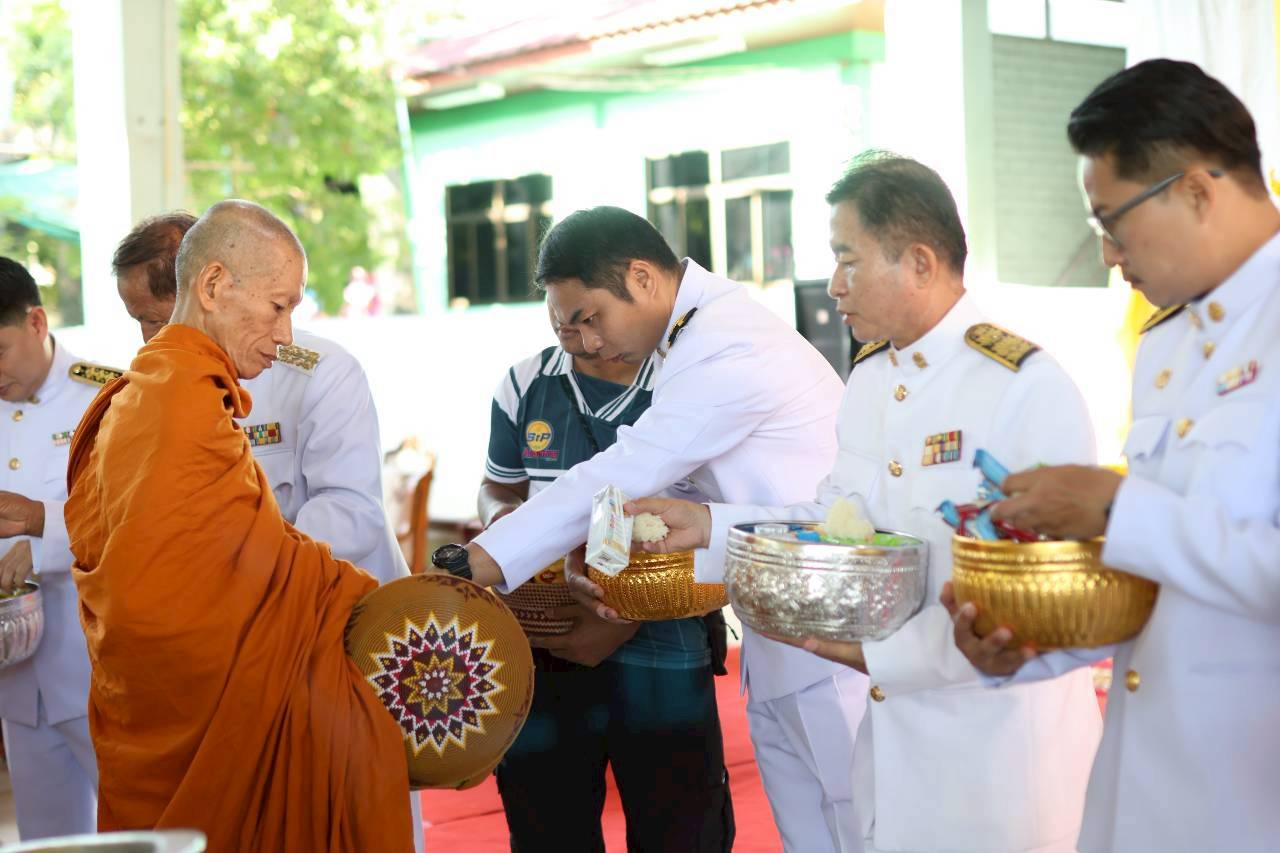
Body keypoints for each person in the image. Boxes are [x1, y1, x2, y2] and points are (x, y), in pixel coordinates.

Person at [631, 153, 1103, 853]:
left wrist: (880, 655)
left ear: (919, 262)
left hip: (1000, 763)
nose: (833, 285)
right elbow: (837, 524)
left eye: (847, 260)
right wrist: (708, 524)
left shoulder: (1023, 386)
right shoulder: (874, 379)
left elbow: (1047, 607)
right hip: (895, 749)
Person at [431, 206, 865, 852]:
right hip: (782, 625)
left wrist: (484, 561)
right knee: (813, 836)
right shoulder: (690, 337)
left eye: (591, 317)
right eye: (567, 325)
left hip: (826, 632)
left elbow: (633, 466)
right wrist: (589, 549)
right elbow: (673, 490)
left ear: (641, 277)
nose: (586, 341)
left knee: (857, 831)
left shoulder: (727, 343)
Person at [945, 59, 1280, 852]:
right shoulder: (1170, 343)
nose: (1107, 254)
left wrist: (1117, 504)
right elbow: (1162, 588)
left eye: (1111, 222)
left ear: (1195, 191)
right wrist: (1029, 642)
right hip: (1143, 796)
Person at [65, 200, 413, 852]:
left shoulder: (164, 388)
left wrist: (280, 565)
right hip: (227, 688)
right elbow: (154, 579)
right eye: (277, 306)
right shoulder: (174, 394)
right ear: (213, 285)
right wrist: (305, 577)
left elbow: (334, 514)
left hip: (249, 675)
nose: (285, 332)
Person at [480, 304, 733, 850]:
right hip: (549, 631)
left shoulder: (681, 383)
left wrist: (622, 615)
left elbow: (716, 510)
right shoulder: (525, 382)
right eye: (556, 313)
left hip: (664, 630)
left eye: (583, 313)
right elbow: (498, 485)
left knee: (679, 824)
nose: (570, 330)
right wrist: (505, 520)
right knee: (546, 821)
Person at [113, 212, 408, 584]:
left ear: (209, 290)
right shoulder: (149, 392)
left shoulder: (321, 372)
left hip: (336, 606)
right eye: (141, 321)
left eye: (157, 320)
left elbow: (352, 515)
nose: (151, 340)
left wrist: (233, 568)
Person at [0, 258, 113, 840]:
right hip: (17, 677)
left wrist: (41, 545)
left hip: (94, 666)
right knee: (46, 838)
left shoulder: (108, 395)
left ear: (38, 322)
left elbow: (128, 516)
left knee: (133, 827)